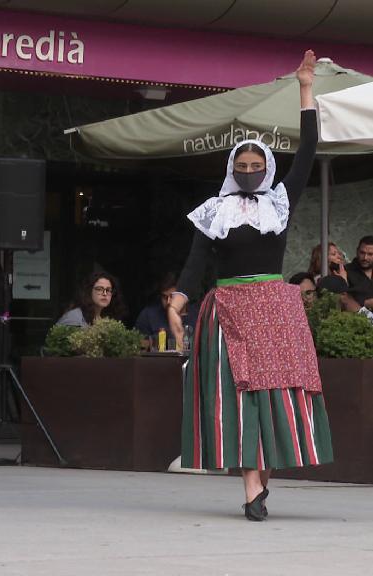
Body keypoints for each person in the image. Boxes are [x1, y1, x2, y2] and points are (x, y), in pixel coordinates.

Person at [169, 51, 332, 522]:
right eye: (240, 162)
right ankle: (250, 489)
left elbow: (306, 151)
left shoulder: (280, 202)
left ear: (266, 167)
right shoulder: (213, 210)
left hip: (275, 309)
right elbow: (197, 260)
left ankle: (263, 478)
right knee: (237, 398)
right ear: (230, 167)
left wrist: (306, 88)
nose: (247, 168)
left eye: (254, 161)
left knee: (276, 396)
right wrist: (179, 299)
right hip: (228, 311)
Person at [134, 272, 197, 342]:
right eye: (164, 297)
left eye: (172, 297)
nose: (168, 302)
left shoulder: (197, 316)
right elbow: (137, 344)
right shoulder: (147, 315)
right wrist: (158, 338)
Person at [55, 272, 126, 327]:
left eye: (108, 290)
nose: (105, 294)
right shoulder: (74, 317)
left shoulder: (107, 319)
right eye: (99, 289)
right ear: (89, 291)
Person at [345, 236, 373, 307]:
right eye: (362, 253)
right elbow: (342, 299)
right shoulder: (346, 271)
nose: (365, 258)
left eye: (370, 254)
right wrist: (367, 303)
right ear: (357, 251)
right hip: (356, 316)